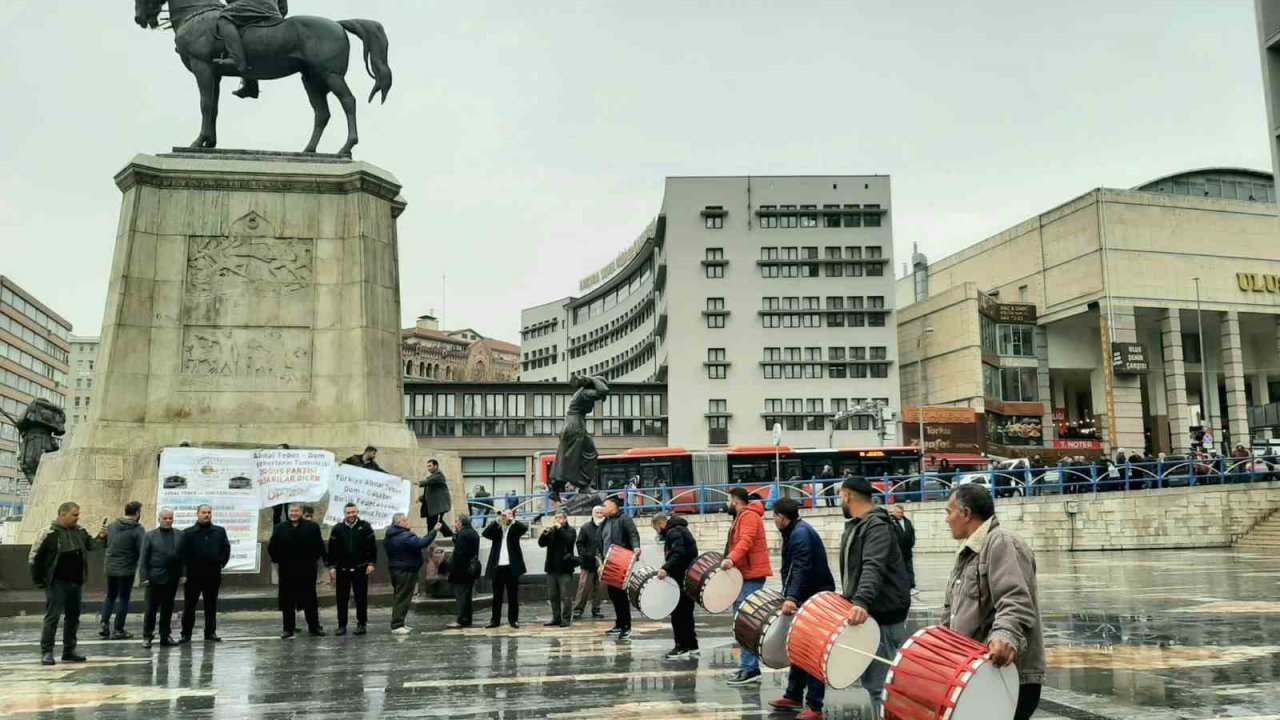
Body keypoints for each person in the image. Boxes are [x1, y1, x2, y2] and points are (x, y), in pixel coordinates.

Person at [943, 484, 1046, 720]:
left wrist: (1005, 636)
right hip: (976, 674)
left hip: (1005, 676)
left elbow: (1015, 599)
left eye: (949, 512)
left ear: (966, 514)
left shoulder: (1001, 542)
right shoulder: (967, 554)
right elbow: (950, 614)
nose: (947, 519)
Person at [839, 476, 912, 719]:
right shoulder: (862, 524)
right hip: (873, 614)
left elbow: (873, 565)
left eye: (840, 495)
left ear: (848, 495)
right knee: (876, 684)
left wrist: (861, 601)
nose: (840, 500)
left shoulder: (876, 525)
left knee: (881, 686)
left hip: (881, 614)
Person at [768, 498, 835, 719]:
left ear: (781, 517)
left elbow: (801, 568)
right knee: (798, 646)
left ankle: (815, 705)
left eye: (773, 516)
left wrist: (792, 597)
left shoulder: (799, 535)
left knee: (813, 650)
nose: (773, 520)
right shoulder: (795, 531)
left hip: (814, 598)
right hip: (807, 594)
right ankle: (793, 695)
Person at [28, 501, 108, 665]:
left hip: (76, 581)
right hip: (57, 582)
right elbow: (34, 558)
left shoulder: (80, 531)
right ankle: (47, 651)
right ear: (62, 514)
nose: (77, 518)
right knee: (53, 617)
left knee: (73, 617)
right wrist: (40, 580)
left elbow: (92, 545)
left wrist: (101, 537)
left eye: (78, 515)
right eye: (75, 515)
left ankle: (69, 650)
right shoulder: (49, 533)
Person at [722, 487, 773, 685]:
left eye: (728, 500)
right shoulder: (742, 517)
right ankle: (746, 666)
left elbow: (746, 541)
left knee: (747, 623)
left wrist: (730, 560)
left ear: (735, 500)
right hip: (744, 576)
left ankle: (751, 668)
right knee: (742, 623)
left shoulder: (749, 516)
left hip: (751, 576)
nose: (727, 504)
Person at [268, 503, 327, 639]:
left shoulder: (312, 527)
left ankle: (314, 627)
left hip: (307, 570)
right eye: (291, 511)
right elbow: (272, 548)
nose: (293, 513)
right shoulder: (279, 528)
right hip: (287, 570)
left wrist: (313, 559)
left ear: (301, 512)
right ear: (287, 513)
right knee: (287, 601)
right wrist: (279, 560)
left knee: (310, 600)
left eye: (296, 511)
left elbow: (319, 546)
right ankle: (288, 628)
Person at [550, 375, 610, 499]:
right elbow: (604, 390)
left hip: (573, 424)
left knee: (567, 457)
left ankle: (556, 488)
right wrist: (592, 379)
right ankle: (583, 485)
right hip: (575, 425)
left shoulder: (581, 393)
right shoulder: (584, 393)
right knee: (584, 455)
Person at [214, 0, 288, 98]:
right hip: (274, 11)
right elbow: (284, 8)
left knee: (224, 18)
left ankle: (236, 59)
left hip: (254, 5)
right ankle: (250, 85)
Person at [180, 504, 231, 643]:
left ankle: (210, 632)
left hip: (212, 574)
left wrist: (221, 563)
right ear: (197, 514)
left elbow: (226, 548)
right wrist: (184, 573)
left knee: (211, 604)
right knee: (189, 605)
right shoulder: (188, 533)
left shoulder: (219, 531)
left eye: (209, 512)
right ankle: (186, 633)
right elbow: (183, 555)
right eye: (203, 512)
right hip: (193, 575)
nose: (206, 515)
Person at [652, 512, 698, 659]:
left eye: (656, 529)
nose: (658, 532)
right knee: (687, 613)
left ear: (660, 524)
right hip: (689, 576)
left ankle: (681, 646)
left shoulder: (673, 532)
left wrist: (665, 568)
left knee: (678, 613)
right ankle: (692, 645)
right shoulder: (681, 529)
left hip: (680, 577)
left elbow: (678, 553)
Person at [326, 502, 377, 636]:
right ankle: (342, 625)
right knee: (342, 598)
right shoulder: (337, 529)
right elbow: (331, 550)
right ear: (344, 514)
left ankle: (361, 624)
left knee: (361, 597)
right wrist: (331, 567)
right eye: (348, 513)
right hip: (342, 569)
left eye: (353, 512)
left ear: (357, 512)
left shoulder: (365, 527)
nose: (351, 515)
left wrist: (371, 563)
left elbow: (372, 547)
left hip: (360, 568)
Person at [139, 508, 186, 650]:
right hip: (154, 578)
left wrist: (183, 574)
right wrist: (144, 577)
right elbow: (144, 558)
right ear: (159, 519)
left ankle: (165, 635)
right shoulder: (150, 535)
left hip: (172, 578)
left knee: (168, 609)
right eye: (165, 518)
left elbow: (183, 557)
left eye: (170, 518)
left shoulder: (179, 535)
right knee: (151, 610)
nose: (168, 521)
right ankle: (147, 636)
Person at [384, 513, 438, 634]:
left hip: (395, 569)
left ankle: (399, 623)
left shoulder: (389, 536)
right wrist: (434, 531)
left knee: (399, 596)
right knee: (403, 597)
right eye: (404, 520)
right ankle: (397, 625)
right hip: (406, 570)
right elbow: (422, 542)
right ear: (399, 523)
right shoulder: (404, 536)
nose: (407, 522)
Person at [99, 500, 145, 640]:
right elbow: (141, 549)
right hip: (126, 568)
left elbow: (105, 543)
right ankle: (118, 629)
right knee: (124, 598)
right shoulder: (138, 529)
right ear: (137, 513)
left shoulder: (112, 525)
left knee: (110, 595)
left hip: (110, 566)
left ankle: (104, 624)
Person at [600, 495, 640, 640]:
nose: (603, 508)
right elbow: (601, 542)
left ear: (614, 506)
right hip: (609, 562)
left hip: (621, 560)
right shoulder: (606, 521)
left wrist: (636, 547)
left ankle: (626, 626)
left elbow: (633, 534)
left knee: (621, 595)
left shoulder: (624, 519)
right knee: (614, 595)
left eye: (606, 505)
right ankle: (619, 623)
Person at [483, 510, 528, 628]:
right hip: (497, 566)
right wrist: (497, 520)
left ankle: (513, 620)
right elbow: (485, 533)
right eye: (505, 514)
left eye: (509, 514)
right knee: (497, 595)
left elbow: (524, 528)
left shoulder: (515, 529)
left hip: (511, 567)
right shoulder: (497, 529)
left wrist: (512, 520)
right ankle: (495, 620)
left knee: (513, 595)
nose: (506, 517)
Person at [539, 510, 578, 627]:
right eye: (556, 518)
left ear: (565, 519)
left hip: (564, 567)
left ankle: (566, 618)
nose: (557, 520)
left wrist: (560, 529)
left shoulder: (570, 530)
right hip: (551, 567)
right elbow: (541, 543)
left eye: (560, 518)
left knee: (565, 595)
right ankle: (556, 618)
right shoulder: (551, 531)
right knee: (553, 595)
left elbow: (569, 541)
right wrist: (544, 534)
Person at [446, 513, 480, 629]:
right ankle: (466, 618)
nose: (455, 524)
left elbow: (458, 554)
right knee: (467, 596)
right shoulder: (473, 533)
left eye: (457, 522)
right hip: (470, 570)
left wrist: (450, 567)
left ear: (460, 523)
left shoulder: (463, 535)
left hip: (461, 571)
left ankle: (462, 619)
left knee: (461, 596)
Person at [573, 505, 607, 620]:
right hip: (588, 562)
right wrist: (585, 554)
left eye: (601, 512)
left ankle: (596, 609)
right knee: (583, 587)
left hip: (602, 563)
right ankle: (578, 609)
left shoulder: (606, 527)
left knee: (599, 588)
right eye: (597, 513)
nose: (599, 515)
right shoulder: (585, 527)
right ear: (593, 514)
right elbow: (579, 543)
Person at [418, 458, 454, 537]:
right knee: (435, 522)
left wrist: (418, 483)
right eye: (428, 466)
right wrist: (420, 498)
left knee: (435, 522)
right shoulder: (433, 476)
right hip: (434, 506)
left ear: (436, 466)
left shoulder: (439, 475)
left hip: (438, 506)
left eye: (430, 466)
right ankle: (449, 536)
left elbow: (429, 482)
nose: (428, 468)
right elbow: (430, 493)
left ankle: (430, 538)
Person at [891, 505, 917, 593]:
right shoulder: (891, 522)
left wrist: (911, 544)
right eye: (898, 512)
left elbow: (912, 534)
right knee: (898, 571)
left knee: (909, 569)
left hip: (907, 552)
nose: (900, 514)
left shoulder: (907, 522)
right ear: (894, 512)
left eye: (901, 512)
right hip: (897, 552)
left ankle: (911, 587)